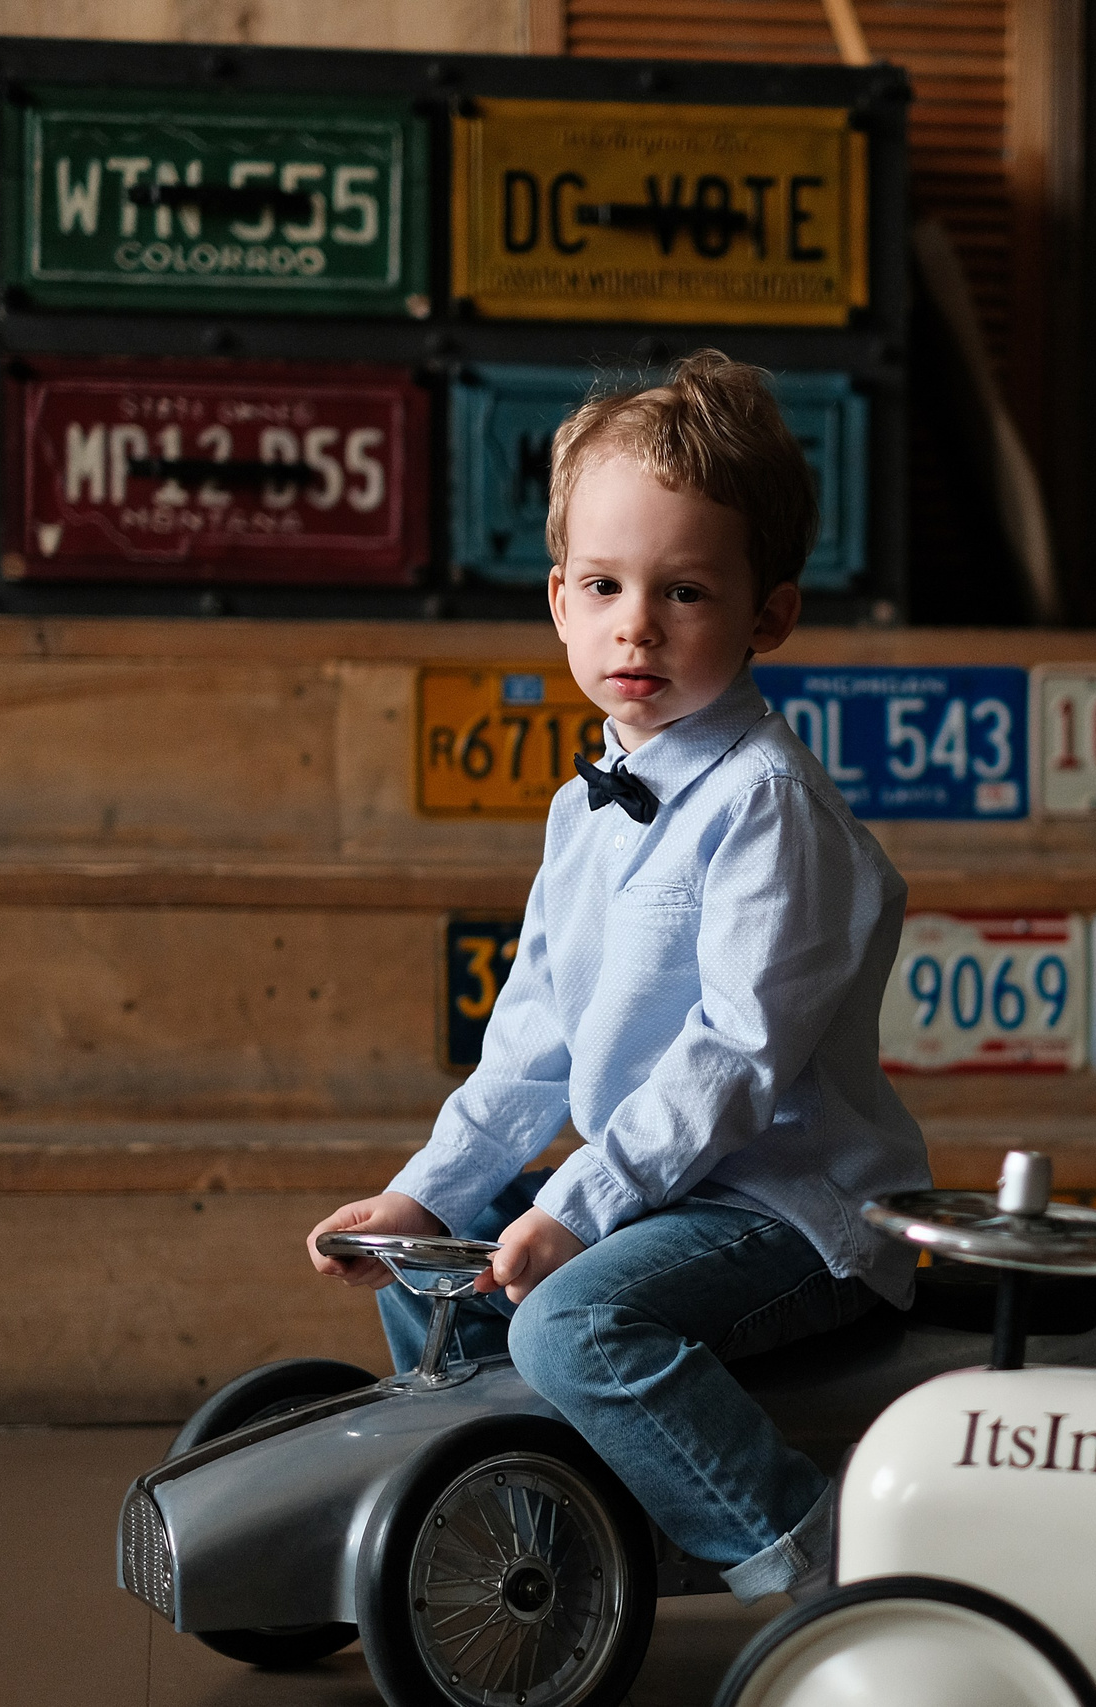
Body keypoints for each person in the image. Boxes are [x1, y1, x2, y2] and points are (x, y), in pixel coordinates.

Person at [306, 349, 929, 1603]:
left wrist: (580, 1209)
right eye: (604, 584)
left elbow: (736, 1057)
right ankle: (536, 1546)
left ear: (770, 616)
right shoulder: (586, 808)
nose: (635, 624)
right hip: (663, 1187)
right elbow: (534, 1035)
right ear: (560, 603)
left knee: (569, 1322)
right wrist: (428, 1196)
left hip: (786, 1210)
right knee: (428, 1298)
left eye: (684, 590)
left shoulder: (768, 807)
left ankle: (818, 1570)